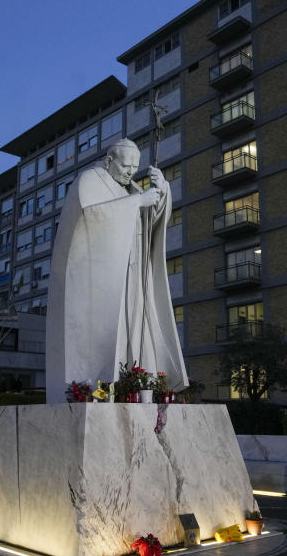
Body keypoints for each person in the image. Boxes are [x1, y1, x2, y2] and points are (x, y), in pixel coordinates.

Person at [45, 138, 188, 402]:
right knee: (112, 336)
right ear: (110, 161)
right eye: (125, 166)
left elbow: (150, 224)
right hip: (102, 280)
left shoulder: (130, 188)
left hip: (132, 273)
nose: (131, 172)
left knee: (134, 332)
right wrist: (137, 202)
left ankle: (135, 386)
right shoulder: (90, 180)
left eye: (135, 167)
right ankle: (100, 391)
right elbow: (90, 217)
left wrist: (162, 192)